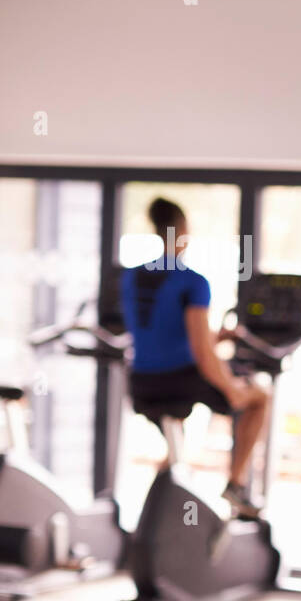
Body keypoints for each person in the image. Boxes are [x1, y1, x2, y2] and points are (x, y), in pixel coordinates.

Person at [120, 197, 270, 518]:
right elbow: (203, 353)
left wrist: (216, 336)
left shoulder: (130, 277)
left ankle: (157, 518)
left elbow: (159, 333)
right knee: (258, 398)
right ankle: (235, 484)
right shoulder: (193, 281)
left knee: (176, 451)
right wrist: (232, 390)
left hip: (142, 383)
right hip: (181, 380)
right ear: (183, 232)